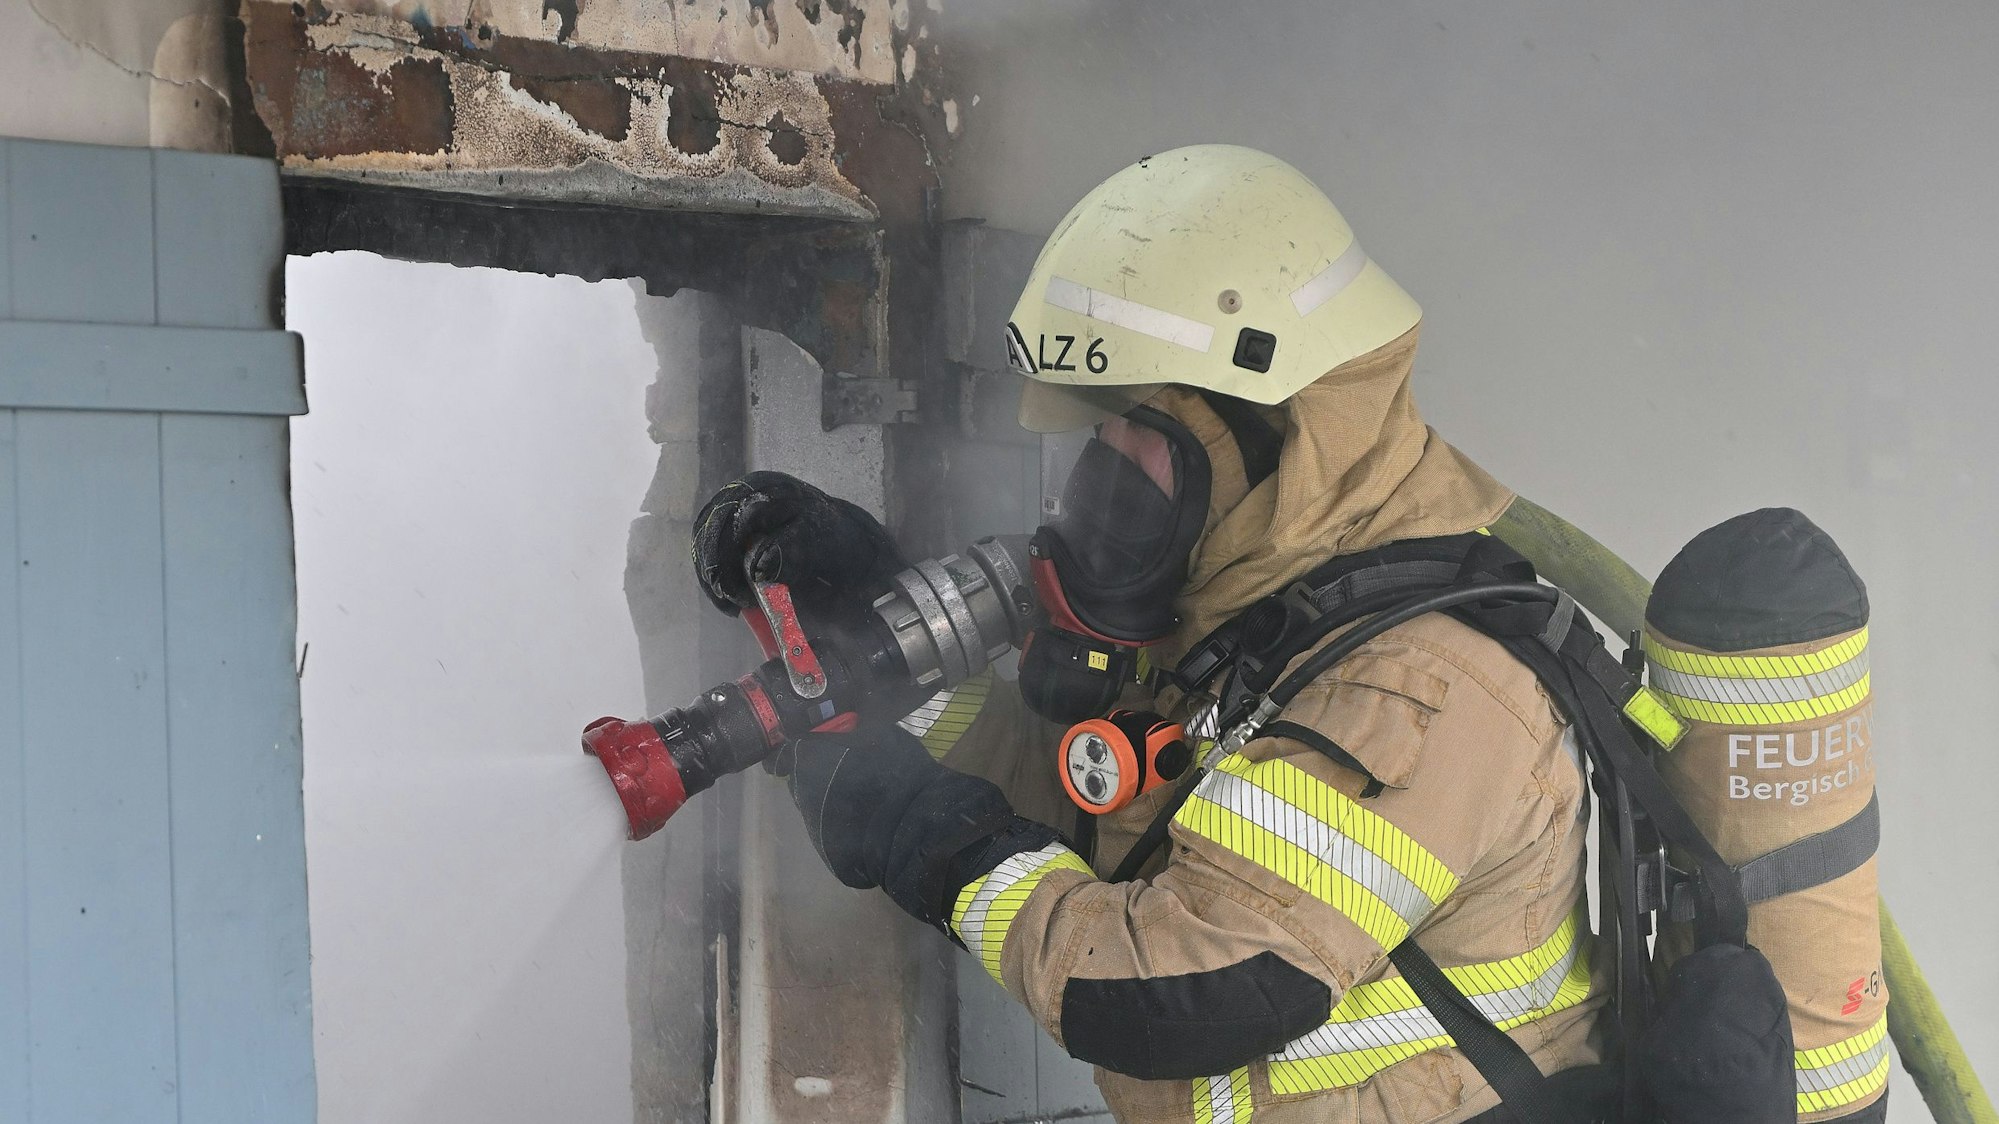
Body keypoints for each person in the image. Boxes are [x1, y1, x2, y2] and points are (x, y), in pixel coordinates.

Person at [692, 145, 1609, 1123]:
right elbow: (1079, 813)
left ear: (1278, 432)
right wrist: (882, 664)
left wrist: (932, 836)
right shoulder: (1254, 622)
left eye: (1138, 433)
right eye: (1097, 437)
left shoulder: (1417, 684)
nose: (1095, 480)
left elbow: (1183, 989)